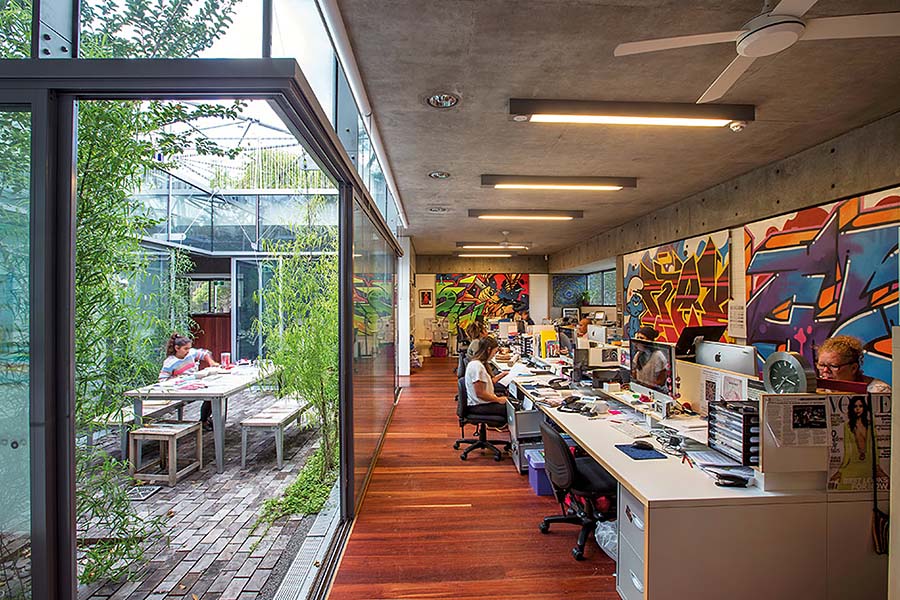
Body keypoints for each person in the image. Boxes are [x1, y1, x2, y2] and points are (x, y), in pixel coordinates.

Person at [160, 333, 219, 429]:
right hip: (180, 389)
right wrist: (177, 379)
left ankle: (204, 419)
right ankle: (203, 422)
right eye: (185, 349)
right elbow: (162, 380)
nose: (188, 351)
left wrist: (211, 362)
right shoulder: (169, 362)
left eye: (189, 348)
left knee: (213, 395)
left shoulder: (191, 353)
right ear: (177, 348)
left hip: (194, 383)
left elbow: (204, 354)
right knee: (210, 396)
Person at [829, 396, 888, 485]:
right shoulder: (847, 426)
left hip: (869, 464)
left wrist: (877, 467)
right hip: (853, 464)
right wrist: (840, 470)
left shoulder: (870, 424)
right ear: (851, 409)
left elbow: (874, 446)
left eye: (860, 406)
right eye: (855, 406)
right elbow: (847, 450)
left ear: (864, 408)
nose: (858, 409)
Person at [817, 335, 891, 393]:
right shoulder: (820, 390)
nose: (825, 370)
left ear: (853, 368)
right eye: (821, 365)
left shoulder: (879, 391)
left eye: (833, 366)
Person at [464, 336, 508, 418]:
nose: (493, 356)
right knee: (511, 408)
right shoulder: (477, 367)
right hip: (478, 406)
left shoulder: (478, 363)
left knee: (509, 402)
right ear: (488, 350)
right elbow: (480, 394)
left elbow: (487, 383)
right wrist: (498, 400)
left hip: (481, 402)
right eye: (494, 352)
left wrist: (502, 375)